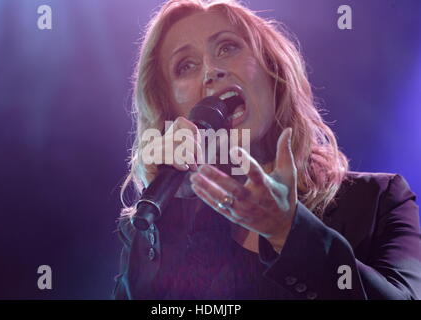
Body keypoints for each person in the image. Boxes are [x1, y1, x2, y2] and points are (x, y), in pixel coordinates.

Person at [113, 0, 421, 300]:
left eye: (227, 47)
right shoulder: (153, 228)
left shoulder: (379, 200)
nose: (211, 71)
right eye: (186, 66)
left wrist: (289, 231)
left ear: (271, 72)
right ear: (171, 111)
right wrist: (163, 222)